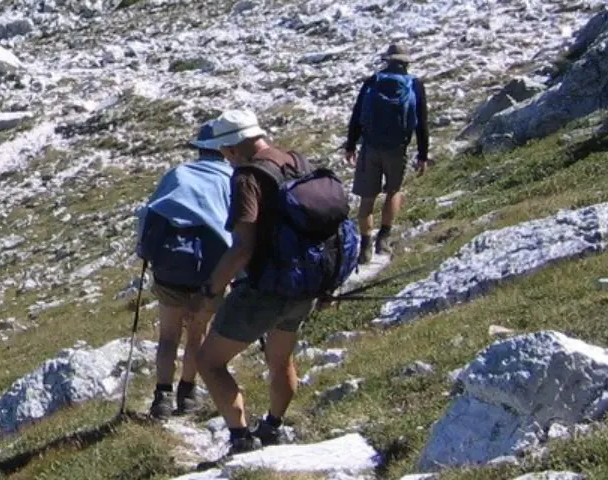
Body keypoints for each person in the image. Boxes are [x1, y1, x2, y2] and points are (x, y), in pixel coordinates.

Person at [193, 110, 355, 455]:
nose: (225, 157)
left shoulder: (247, 178)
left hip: (266, 288)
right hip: (306, 284)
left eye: (225, 151)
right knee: (281, 359)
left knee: (209, 361)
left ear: (234, 147)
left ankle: (240, 438)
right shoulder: (297, 161)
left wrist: (211, 291)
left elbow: (241, 248)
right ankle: (272, 427)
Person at [133, 122, 234, 419]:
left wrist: (144, 252)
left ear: (199, 149)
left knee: (168, 336)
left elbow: (149, 214)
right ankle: (187, 393)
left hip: (170, 270)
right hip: (210, 273)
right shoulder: (230, 178)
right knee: (197, 334)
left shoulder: (177, 174)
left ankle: (161, 397)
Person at [343, 43, 430, 262]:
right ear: (406, 63)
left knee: (367, 198)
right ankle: (384, 238)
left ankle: (365, 246)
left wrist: (351, 145)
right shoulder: (415, 84)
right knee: (394, 191)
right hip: (397, 149)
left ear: (387, 61)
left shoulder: (372, 82)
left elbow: (357, 116)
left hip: (370, 148)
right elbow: (422, 123)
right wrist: (422, 154)